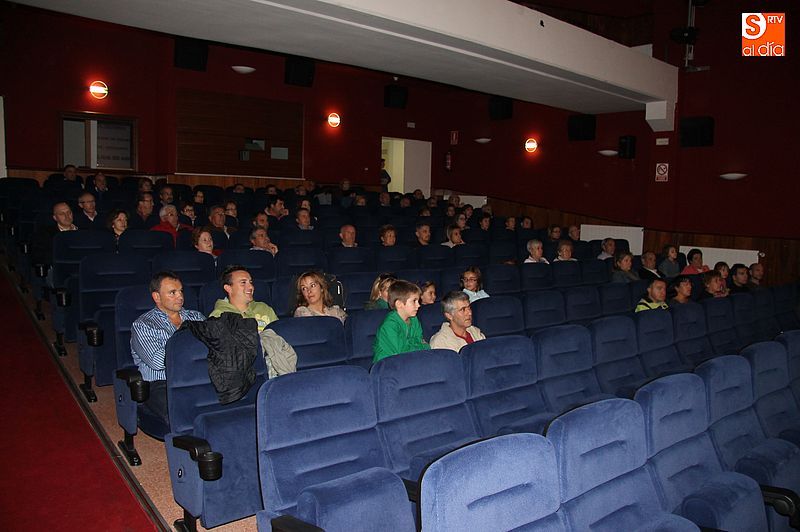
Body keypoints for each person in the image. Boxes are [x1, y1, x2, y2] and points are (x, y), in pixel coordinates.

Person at [130, 271, 205, 424]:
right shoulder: (144, 325)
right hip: (161, 383)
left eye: (181, 291)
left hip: (198, 378)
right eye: (173, 292)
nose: (180, 297)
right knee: (183, 415)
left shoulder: (196, 317)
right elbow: (158, 362)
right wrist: (190, 346)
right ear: (156, 297)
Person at [372, 280, 430, 363]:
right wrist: (418, 345)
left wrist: (415, 345)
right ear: (399, 304)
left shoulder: (414, 319)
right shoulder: (389, 325)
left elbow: (425, 345)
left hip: (409, 361)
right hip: (386, 365)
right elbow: (401, 352)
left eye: (418, 301)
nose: (418, 305)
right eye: (414, 301)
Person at [209, 266, 278, 331]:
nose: (251, 287)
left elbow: (280, 335)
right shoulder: (218, 316)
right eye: (243, 282)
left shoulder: (264, 308)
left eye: (250, 282)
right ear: (228, 288)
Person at [31, 202, 78, 266]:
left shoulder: (83, 230)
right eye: (62, 214)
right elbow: (39, 256)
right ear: (55, 218)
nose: (67, 216)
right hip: (57, 268)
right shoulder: (45, 233)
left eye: (69, 212)